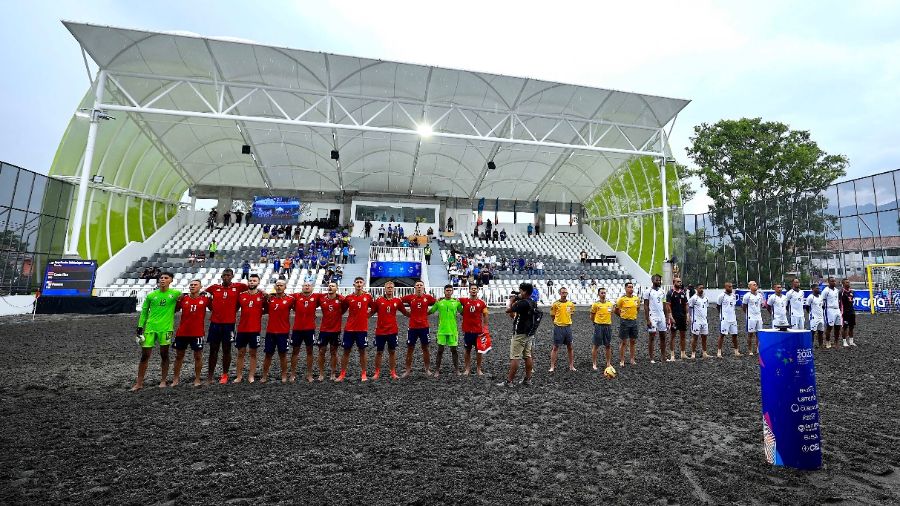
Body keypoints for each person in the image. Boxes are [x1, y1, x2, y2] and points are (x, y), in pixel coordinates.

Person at [132, 272, 181, 391]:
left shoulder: (176, 294)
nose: (163, 280)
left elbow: (182, 303)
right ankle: (139, 383)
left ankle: (163, 381)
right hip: (150, 328)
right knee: (144, 356)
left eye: (166, 278)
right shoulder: (151, 295)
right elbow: (144, 312)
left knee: (164, 355)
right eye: (161, 278)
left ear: (171, 281)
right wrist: (140, 327)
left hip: (166, 329)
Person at [204, 269, 248, 384]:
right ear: (221, 276)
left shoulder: (239, 287)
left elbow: (252, 290)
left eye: (228, 275)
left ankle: (224, 374)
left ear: (232, 276)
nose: (226, 277)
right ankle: (210, 375)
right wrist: (212, 308)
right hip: (215, 323)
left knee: (227, 349)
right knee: (213, 349)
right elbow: (204, 297)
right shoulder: (214, 288)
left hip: (229, 324)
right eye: (224, 275)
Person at [171, 280, 210, 387]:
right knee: (179, 356)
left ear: (200, 287)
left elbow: (214, 308)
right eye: (191, 285)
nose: (192, 286)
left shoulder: (205, 299)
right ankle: (175, 379)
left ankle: (197, 379)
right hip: (182, 332)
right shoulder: (183, 298)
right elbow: (174, 310)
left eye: (195, 285)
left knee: (198, 356)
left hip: (197, 333)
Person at [370, 280, 410, 380]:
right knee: (379, 352)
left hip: (392, 331)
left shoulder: (397, 301)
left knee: (392, 351)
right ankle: (376, 373)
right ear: (385, 288)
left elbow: (405, 312)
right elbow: (371, 312)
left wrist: (416, 313)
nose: (390, 289)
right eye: (388, 287)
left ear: (394, 289)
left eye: (391, 287)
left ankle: (393, 372)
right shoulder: (378, 300)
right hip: (380, 331)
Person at [499, 282, 536, 387]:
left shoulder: (522, 303)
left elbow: (508, 310)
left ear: (524, 291)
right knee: (527, 355)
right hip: (529, 333)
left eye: (520, 291)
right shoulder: (532, 302)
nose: (519, 293)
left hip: (519, 333)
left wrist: (512, 300)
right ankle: (528, 379)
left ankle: (509, 381)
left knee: (515, 357)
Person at [337, 277, 374, 382]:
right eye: (357, 282)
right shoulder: (348, 298)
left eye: (360, 282)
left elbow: (374, 308)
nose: (358, 284)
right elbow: (342, 310)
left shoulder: (368, 296)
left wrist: (367, 316)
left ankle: (363, 374)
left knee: (362, 351)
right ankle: (342, 374)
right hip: (349, 329)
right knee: (346, 351)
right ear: (354, 284)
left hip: (362, 329)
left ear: (363, 284)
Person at [401, 281, 437, 377]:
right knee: (410, 349)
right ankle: (408, 370)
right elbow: (398, 302)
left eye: (421, 285)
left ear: (423, 287)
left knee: (425, 348)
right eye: (417, 285)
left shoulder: (428, 298)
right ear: (414, 287)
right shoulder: (410, 297)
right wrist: (405, 312)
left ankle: (427, 369)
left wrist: (429, 312)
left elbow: (437, 303)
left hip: (424, 327)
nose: (419, 287)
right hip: (412, 327)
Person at [234, 274, 265, 383]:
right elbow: (235, 308)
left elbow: (267, 308)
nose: (251, 282)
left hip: (255, 329)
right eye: (250, 280)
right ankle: (239, 376)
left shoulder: (262, 296)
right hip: (242, 329)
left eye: (254, 281)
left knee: (253, 353)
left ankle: (251, 376)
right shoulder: (241, 295)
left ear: (258, 282)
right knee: (240, 353)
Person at [261, 279, 294, 383]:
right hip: (270, 331)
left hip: (283, 332)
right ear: (275, 287)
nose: (279, 287)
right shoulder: (269, 299)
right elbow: (263, 309)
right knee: (268, 354)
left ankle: (284, 375)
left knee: (283, 354)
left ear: (285, 287)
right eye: (277, 285)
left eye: (281, 285)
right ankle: (264, 375)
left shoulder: (290, 299)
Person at [429, 285, 463, 378]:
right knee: (440, 350)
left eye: (450, 290)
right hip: (442, 330)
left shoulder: (456, 302)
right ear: (444, 291)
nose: (448, 292)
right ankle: (437, 370)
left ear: (452, 292)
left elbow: (463, 313)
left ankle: (457, 370)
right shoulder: (439, 302)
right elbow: (430, 311)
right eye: (447, 290)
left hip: (453, 330)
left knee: (454, 350)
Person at [290, 282, 320, 383]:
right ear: (301, 287)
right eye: (304, 285)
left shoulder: (316, 297)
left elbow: (329, 297)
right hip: (297, 329)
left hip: (310, 329)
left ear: (312, 288)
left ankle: (309, 374)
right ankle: (293, 374)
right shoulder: (295, 296)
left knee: (310, 351)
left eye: (309, 285)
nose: (306, 287)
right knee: (295, 351)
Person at [316, 282, 345, 381]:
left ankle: (333, 373)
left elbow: (344, 310)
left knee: (334, 351)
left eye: (333, 286)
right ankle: (321, 373)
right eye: (329, 285)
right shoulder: (321, 298)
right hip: (324, 330)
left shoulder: (341, 299)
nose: (330, 287)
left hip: (335, 330)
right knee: (321, 351)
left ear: (336, 288)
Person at [459, 284, 489, 376]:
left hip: (478, 331)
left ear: (478, 290)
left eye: (475, 289)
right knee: (467, 350)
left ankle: (478, 369)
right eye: (472, 289)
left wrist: (485, 327)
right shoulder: (464, 301)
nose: (473, 290)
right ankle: (467, 369)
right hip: (468, 331)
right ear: (469, 290)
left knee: (479, 351)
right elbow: (453, 301)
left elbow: (485, 315)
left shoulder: (482, 303)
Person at [549, 287, 576, 372]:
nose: (564, 294)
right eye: (563, 292)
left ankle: (571, 366)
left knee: (570, 347)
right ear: (559, 293)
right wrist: (557, 323)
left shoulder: (571, 304)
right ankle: (552, 366)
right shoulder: (555, 304)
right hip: (558, 327)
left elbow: (571, 315)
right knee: (555, 347)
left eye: (565, 292)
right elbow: (552, 315)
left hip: (568, 327)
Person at [644, 274, 669, 363]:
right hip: (652, 316)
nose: (659, 282)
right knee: (652, 337)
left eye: (659, 280)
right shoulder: (648, 291)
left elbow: (665, 305)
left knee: (663, 336)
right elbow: (646, 306)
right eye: (657, 280)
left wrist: (667, 318)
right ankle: (651, 358)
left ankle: (663, 356)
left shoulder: (662, 291)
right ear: (652, 281)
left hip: (661, 316)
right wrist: (647, 319)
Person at [615, 282, 640, 367]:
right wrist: (622, 316)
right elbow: (616, 310)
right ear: (625, 289)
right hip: (625, 322)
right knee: (624, 341)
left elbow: (638, 308)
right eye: (629, 287)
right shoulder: (621, 299)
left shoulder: (636, 299)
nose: (631, 289)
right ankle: (622, 360)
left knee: (633, 341)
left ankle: (632, 359)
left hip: (633, 321)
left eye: (632, 287)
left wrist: (634, 316)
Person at [590, 287, 613, 370]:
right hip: (598, 326)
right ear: (598, 294)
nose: (603, 294)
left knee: (608, 345)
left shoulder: (610, 304)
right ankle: (594, 363)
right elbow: (592, 316)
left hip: (607, 326)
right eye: (602, 293)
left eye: (604, 293)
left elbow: (611, 314)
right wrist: (595, 323)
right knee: (596, 345)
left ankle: (608, 363)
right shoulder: (596, 304)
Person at [666, 277, 689, 360]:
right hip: (674, 317)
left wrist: (687, 315)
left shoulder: (683, 293)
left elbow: (686, 304)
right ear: (674, 282)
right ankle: (672, 355)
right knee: (673, 336)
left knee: (683, 335)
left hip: (682, 317)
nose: (680, 283)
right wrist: (670, 316)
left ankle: (683, 353)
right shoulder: (670, 293)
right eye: (678, 282)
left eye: (680, 281)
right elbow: (668, 305)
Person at [716, 282, 740, 357]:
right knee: (722, 334)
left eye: (731, 287)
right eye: (729, 287)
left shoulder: (733, 295)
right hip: (725, 318)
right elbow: (718, 306)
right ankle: (719, 352)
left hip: (733, 318)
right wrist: (722, 315)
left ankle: (736, 351)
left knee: (735, 335)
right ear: (725, 287)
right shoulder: (721, 296)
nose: (731, 288)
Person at [687, 284, 710, 359]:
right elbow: (689, 308)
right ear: (696, 289)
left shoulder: (706, 298)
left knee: (704, 337)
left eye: (702, 288)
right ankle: (693, 353)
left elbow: (706, 307)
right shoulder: (694, 298)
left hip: (704, 320)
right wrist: (689, 317)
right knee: (695, 337)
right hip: (696, 321)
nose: (702, 289)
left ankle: (704, 352)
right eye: (700, 288)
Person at [742, 281, 764, 356]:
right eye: (754, 285)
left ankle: (758, 348)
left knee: (759, 334)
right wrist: (748, 314)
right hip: (751, 317)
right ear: (750, 287)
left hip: (759, 316)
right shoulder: (747, 296)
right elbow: (744, 307)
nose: (756, 286)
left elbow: (762, 304)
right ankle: (750, 350)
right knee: (750, 334)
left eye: (756, 284)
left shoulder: (760, 295)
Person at [821, 276, 843, 349]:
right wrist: (824, 310)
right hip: (829, 310)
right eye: (832, 281)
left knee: (838, 327)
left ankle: (836, 343)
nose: (834, 282)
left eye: (834, 281)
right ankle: (827, 342)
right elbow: (822, 301)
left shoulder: (836, 290)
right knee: (829, 327)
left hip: (837, 309)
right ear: (828, 282)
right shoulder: (826, 290)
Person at [840, 278, 857, 347]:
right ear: (843, 284)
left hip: (852, 312)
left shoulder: (852, 292)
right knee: (844, 327)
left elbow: (851, 301)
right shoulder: (841, 292)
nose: (848, 283)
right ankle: (844, 342)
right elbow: (839, 302)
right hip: (845, 312)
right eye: (846, 282)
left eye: (849, 282)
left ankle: (851, 341)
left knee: (851, 327)